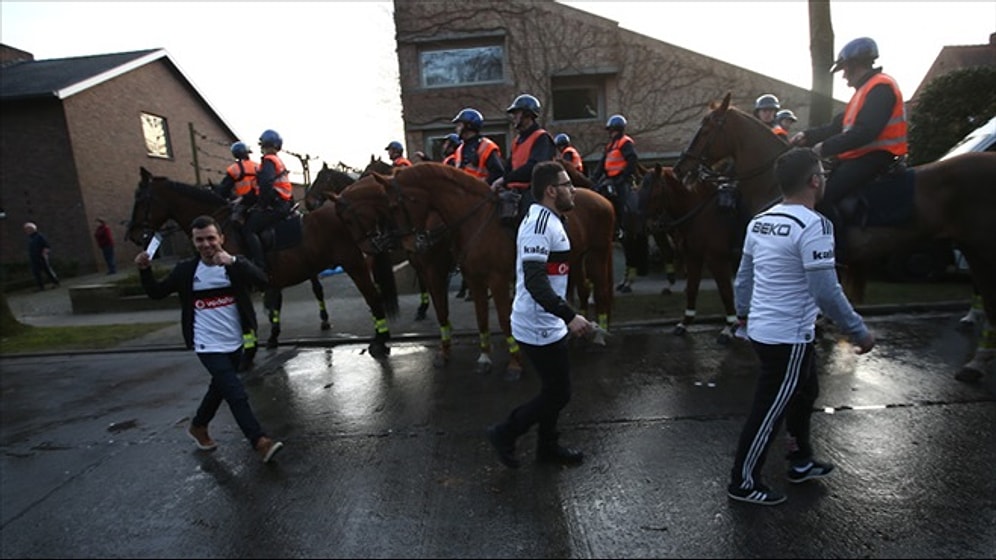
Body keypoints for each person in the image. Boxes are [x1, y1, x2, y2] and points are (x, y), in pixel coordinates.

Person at [727, 147, 875, 506]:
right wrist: (857, 330)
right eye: (822, 173)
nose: (824, 179)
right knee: (770, 408)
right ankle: (743, 482)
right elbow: (825, 290)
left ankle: (801, 460)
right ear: (813, 181)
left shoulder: (759, 220)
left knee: (805, 391)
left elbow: (743, 276)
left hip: (764, 329)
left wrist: (743, 313)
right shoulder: (815, 225)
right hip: (788, 337)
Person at [135, 215, 284, 463]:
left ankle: (199, 425)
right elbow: (156, 292)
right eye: (200, 240)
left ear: (221, 239)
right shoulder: (186, 271)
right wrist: (145, 271)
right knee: (235, 392)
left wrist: (235, 261)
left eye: (211, 238)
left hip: (235, 341)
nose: (206, 244)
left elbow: (263, 280)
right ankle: (259, 441)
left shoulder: (234, 266)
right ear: (193, 242)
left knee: (219, 387)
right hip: (206, 343)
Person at [486, 161, 594, 469]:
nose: (573, 189)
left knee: (554, 389)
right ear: (550, 191)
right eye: (566, 184)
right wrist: (570, 316)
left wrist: (563, 317)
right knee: (559, 393)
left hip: (550, 321)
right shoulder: (538, 226)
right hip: (536, 323)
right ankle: (505, 432)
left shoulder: (553, 218)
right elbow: (535, 282)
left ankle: (548, 447)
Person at [789, 37, 907, 262]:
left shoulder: (880, 87)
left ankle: (839, 254)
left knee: (824, 197)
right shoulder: (864, 91)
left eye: (844, 69)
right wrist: (808, 136)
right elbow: (837, 126)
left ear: (855, 65)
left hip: (876, 157)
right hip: (860, 156)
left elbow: (865, 132)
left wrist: (823, 148)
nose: (843, 76)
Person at [491, 94, 557, 219]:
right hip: (516, 192)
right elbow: (509, 167)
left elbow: (535, 168)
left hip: (536, 192)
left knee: (530, 219)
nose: (514, 117)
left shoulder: (542, 138)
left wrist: (505, 179)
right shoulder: (517, 140)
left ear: (527, 114)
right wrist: (501, 183)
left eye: (517, 113)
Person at [243, 129, 294, 270]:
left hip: (276, 205)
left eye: (262, 145)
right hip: (283, 203)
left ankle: (260, 266)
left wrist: (262, 205)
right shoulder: (277, 161)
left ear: (265, 145)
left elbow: (265, 185)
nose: (261, 148)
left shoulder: (268, 161)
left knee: (249, 229)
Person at [451, 107, 505, 184]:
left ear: (468, 126)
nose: (456, 129)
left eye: (459, 125)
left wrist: (483, 183)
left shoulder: (487, 146)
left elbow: (497, 173)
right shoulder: (459, 149)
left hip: (481, 193)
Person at [215, 141, 260, 222]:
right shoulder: (258, 166)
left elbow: (224, 190)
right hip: (260, 201)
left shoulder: (234, 169)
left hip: (243, 203)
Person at [24, 222, 59, 291]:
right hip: (34, 258)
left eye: (28, 229)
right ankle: (40, 286)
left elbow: (47, 246)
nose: (26, 231)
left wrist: (44, 254)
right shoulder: (30, 239)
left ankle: (55, 282)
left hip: (41, 257)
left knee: (47, 270)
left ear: (32, 229)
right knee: (36, 273)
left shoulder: (39, 236)